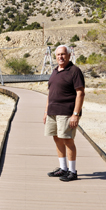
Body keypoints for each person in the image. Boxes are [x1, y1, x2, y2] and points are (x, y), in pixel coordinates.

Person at [43, 45, 85, 182]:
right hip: (52, 112)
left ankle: (73, 171)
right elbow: (50, 93)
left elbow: (80, 93)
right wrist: (46, 111)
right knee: (56, 139)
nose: (60, 57)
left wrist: (75, 114)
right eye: (58, 55)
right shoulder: (55, 71)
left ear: (69, 55)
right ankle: (63, 168)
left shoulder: (75, 71)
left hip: (66, 112)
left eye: (63, 54)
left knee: (68, 140)